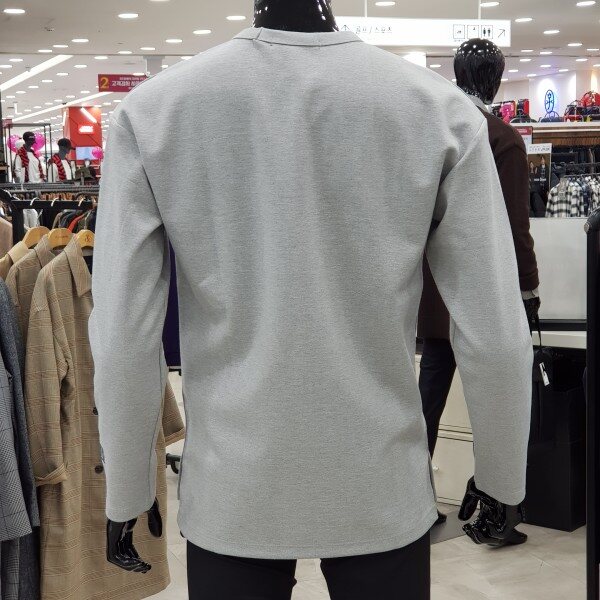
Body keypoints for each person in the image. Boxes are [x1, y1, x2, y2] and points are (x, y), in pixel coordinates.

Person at [90, 8, 533, 599]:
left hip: (234, 484)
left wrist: (126, 488)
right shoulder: (437, 110)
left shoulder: (154, 112)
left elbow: (123, 334)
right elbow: (495, 328)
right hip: (379, 476)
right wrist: (502, 477)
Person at [419, 38, 539, 531]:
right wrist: (529, 289)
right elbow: (514, 226)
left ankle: (415, 500)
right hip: (486, 296)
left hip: (435, 294)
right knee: (497, 405)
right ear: (496, 79)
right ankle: (497, 507)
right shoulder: (501, 138)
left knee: (426, 404)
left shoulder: (435, 128)